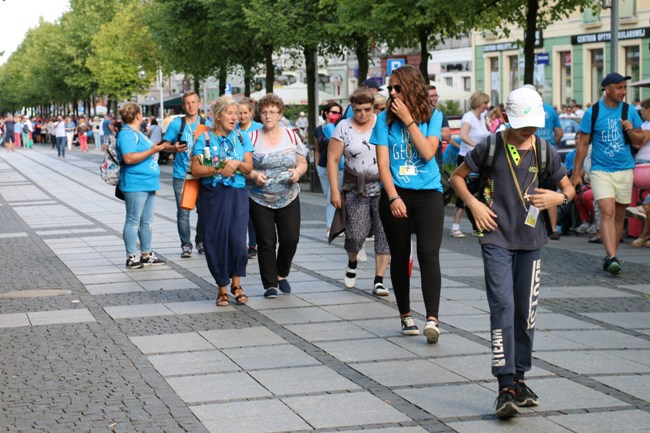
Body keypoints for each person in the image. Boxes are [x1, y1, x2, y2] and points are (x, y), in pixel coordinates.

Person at [450, 85, 574, 418]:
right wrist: (474, 204)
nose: (528, 132)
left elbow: (570, 188)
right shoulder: (491, 145)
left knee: (525, 313)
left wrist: (556, 199)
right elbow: (457, 178)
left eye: (534, 125)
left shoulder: (545, 149)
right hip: (495, 238)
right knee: (502, 306)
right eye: (523, 126)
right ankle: (504, 384)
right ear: (505, 119)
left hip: (532, 240)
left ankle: (519, 378)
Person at [370, 64, 444, 343]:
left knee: (429, 254)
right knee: (400, 257)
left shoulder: (433, 116)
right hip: (396, 194)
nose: (392, 92)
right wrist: (392, 197)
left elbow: (427, 152)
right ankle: (405, 315)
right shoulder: (383, 121)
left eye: (397, 87)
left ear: (411, 88)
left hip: (429, 194)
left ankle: (433, 319)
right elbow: (383, 165)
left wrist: (409, 120)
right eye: (390, 88)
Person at [571, 73, 645, 275]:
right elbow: (583, 144)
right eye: (619, 87)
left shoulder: (629, 111)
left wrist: (631, 130)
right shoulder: (593, 112)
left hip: (625, 168)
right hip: (601, 170)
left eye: (624, 87)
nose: (623, 91)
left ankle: (612, 256)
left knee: (619, 216)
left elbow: (640, 139)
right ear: (607, 89)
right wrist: (576, 173)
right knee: (607, 211)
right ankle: (611, 255)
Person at [327, 88, 391, 296]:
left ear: (373, 107)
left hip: (383, 185)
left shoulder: (382, 123)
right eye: (357, 110)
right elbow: (333, 159)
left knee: (384, 233)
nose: (362, 114)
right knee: (355, 233)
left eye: (366, 109)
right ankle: (352, 261)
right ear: (352, 109)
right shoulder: (344, 127)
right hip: (355, 186)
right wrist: (335, 191)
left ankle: (379, 279)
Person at [191, 96, 253, 306]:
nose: (235, 117)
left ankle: (237, 284)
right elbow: (196, 169)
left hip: (237, 193)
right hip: (213, 194)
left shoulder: (242, 137)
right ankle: (222, 287)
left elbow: (249, 167)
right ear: (218, 116)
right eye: (230, 113)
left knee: (237, 240)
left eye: (237, 114)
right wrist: (217, 168)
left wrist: (236, 163)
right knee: (216, 241)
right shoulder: (205, 139)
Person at [248, 93, 308, 299]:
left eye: (272, 112)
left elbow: (302, 162)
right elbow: (244, 166)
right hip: (259, 197)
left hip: (288, 195)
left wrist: (297, 173)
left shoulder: (291, 135)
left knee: (290, 238)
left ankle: (282, 273)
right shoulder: (252, 137)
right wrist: (254, 175)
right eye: (264, 112)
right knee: (266, 241)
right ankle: (270, 283)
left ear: (280, 114)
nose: (268, 116)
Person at [115, 102, 167, 270]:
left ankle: (146, 253)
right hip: (135, 183)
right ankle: (131, 256)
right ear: (137, 115)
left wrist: (161, 148)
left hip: (148, 182)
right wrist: (152, 151)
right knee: (133, 220)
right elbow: (129, 158)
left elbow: (147, 150)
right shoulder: (127, 134)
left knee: (146, 221)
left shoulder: (137, 132)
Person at [162, 91, 212, 258]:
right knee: (183, 211)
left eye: (193, 102)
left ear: (199, 104)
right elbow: (164, 145)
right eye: (187, 103)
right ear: (184, 106)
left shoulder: (207, 124)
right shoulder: (177, 124)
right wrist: (174, 148)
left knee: (204, 211)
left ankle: (201, 240)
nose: (191, 105)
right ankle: (186, 244)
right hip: (182, 175)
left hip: (202, 175)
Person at [451, 91, 490, 238]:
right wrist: (476, 145)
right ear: (480, 103)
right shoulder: (469, 117)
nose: (487, 106)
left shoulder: (481, 117)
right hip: (467, 159)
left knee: (479, 191)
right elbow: (462, 135)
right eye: (485, 103)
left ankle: (477, 225)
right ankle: (455, 225)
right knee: (463, 191)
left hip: (480, 159)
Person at [236, 96, 263, 260]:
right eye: (239, 113)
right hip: (239, 173)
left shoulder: (258, 128)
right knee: (241, 212)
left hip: (255, 174)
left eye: (245, 113)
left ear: (252, 113)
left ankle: (253, 244)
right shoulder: (234, 129)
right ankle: (241, 243)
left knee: (254, 212)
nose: (242, 116)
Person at [535, 95, 564, 240]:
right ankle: (553, 228)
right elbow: (559, 133)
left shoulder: (529, 109)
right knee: (550, 191)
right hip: (550, 154)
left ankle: (533, 227)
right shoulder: (551, 110)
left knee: (533, 191)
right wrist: (551, 143)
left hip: (533, 154)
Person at [314, 102, 343, 237]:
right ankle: (339, 224)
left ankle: (330, 227)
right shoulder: (319, 130)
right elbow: (318, 149)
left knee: (332, 196)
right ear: (326, 113)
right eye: (333, 112)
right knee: (328, 196)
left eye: (338, 112)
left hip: (337, 168)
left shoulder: (340, 128)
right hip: (322, 167)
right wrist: (317, 165)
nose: (336, 115)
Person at [427, 85, 451, 168]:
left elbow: (447, 135)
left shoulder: (439, 114)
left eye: (436, 95)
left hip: (436, 160)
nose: (435, 98)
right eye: (431, 96)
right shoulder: (417, 114)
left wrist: (428, 131)